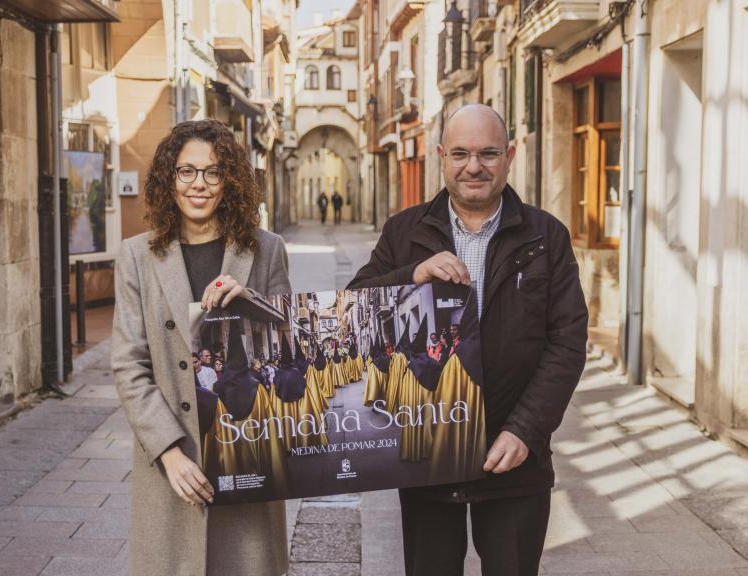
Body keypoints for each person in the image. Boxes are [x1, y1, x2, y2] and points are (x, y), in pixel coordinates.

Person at [348, 104, 588, 576]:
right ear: (440, 155)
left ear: (510, 155)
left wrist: (526, 430)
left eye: (487, 153)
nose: (473, 166)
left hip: (514, 457)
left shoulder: (546, 236)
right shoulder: (405, 231)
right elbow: (355, 311)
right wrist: (410, 274)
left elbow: (567, 343)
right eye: (460, 153)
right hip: (426, 455)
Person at [111, 119, 292, 576]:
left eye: (212, 173)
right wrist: (169, 453)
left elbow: (288, 349)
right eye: (185, 171)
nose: (199, 185)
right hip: (173, 464)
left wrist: (250, 301)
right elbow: (130, 365)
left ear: (228, 181)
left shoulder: (265, 251)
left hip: (245, 451)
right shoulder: (137, 256)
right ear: (168, 179)